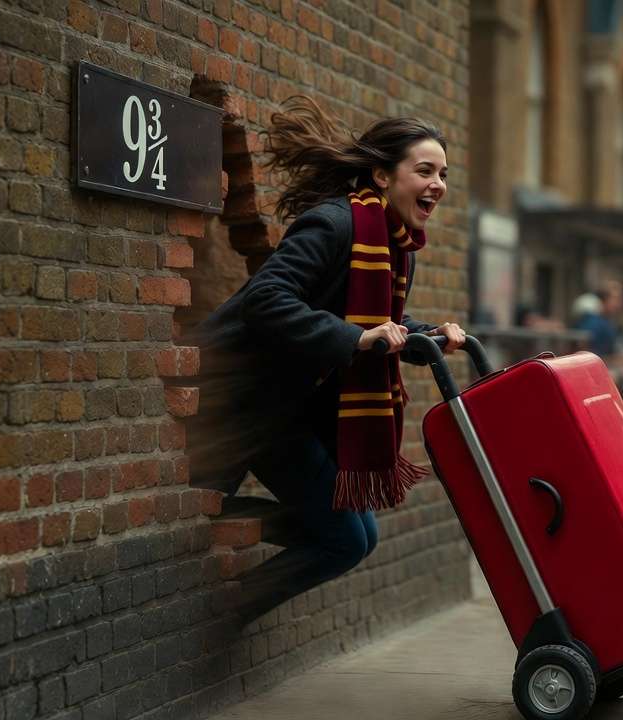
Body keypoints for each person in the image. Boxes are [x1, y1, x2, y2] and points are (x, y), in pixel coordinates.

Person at [187, 96, 466, 625]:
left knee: (358, 536)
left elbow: (373, 327)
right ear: (382, 177)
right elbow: (267, 299)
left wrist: (429, 335)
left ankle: (222, 576)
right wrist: (357, 340)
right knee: (344, 539)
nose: (438, 184)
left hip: (283, 408)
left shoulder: (394, 245)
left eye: (443, 174)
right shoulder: (335, 224)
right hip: (241, 399)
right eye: (424, 170)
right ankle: (214, 615)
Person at [573, 281, 623, 357]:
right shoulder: (593, 321)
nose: (619, 304)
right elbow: (584, 352)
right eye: (616, 299)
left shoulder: (607, 321)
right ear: (604, 300)